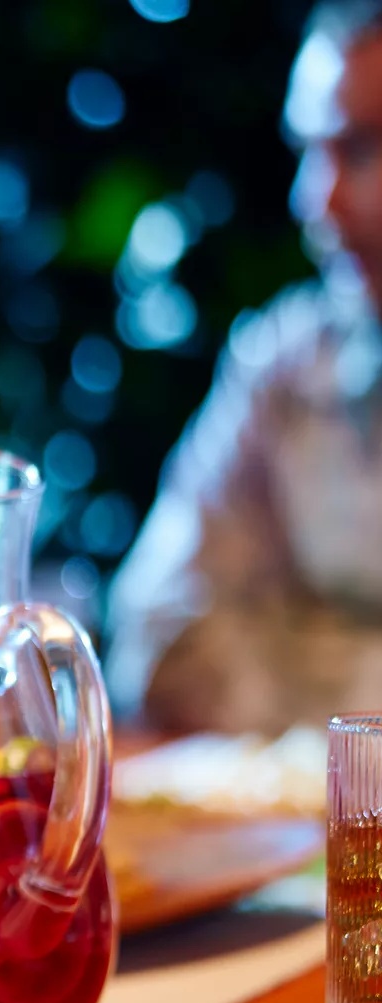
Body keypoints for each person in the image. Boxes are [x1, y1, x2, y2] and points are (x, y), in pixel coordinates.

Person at [107, 0, 382, 733]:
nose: (315, 199)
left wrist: (308, 650)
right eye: (309, 151)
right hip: (325, 836)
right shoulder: (284, 361)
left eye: (363, 149)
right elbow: (160, 633)